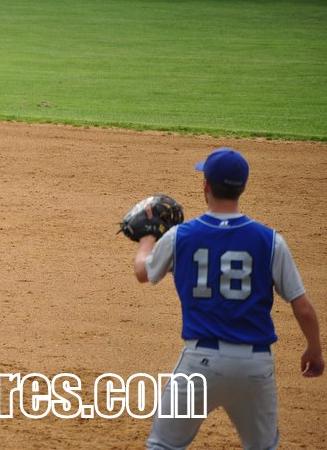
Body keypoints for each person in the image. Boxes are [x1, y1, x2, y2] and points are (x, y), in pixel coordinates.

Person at [133, 147, 323, 449]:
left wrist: (146, 239)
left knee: (163, 445)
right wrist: (314, 348)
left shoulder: (180, 236)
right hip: (255, 365)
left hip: (200, 363)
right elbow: (303, 309)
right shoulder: (271, 241)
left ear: (205, 186)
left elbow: (143, 272)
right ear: (243, 187)